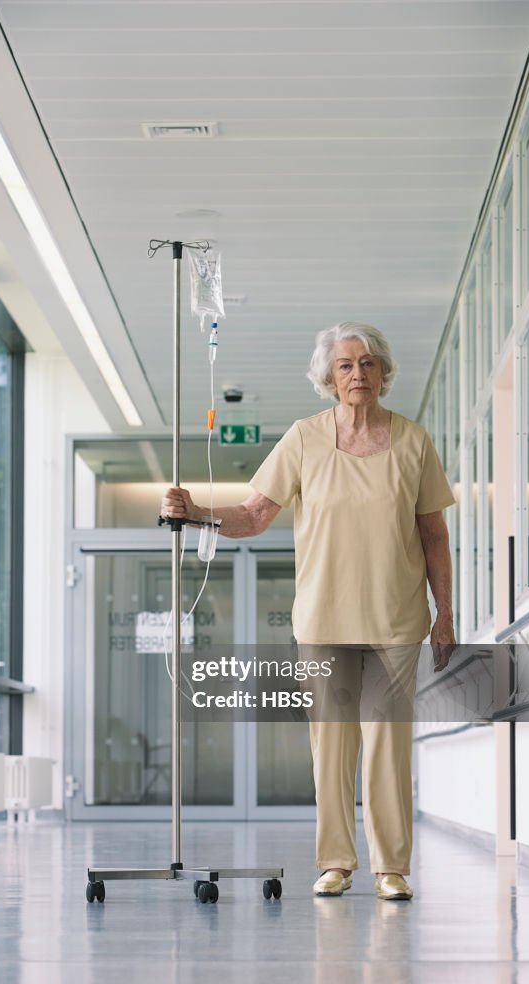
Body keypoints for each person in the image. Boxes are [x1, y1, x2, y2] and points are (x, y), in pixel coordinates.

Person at [160, 321, 456, 900]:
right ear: (328, 376)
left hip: (396, 617)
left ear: (384, 374)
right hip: (324, 616)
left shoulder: (414, 442)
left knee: (388, 746)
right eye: (345, 365)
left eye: (369, 363)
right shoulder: (304, 438)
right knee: (331, 747)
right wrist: (197, 510)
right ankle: (337, 862)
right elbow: (254, 515)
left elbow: (435, 536)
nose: (358, 374)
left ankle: (391, 868)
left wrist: (444, 613)